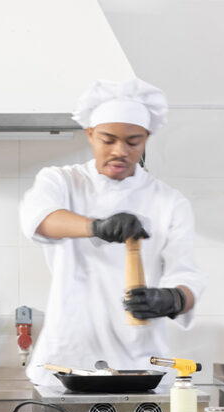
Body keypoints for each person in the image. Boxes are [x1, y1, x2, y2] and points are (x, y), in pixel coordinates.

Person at [20, 77, 207, 390]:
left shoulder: (170, 202)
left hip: (140, 368)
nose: (120, 151)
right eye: (108, 140)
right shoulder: (62, 182)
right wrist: (96, 226)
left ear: (146, 138)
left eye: (133, 141)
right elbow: (40, 220)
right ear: (90, 135)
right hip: (66, 363)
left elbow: (187, 276)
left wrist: (171, 298)